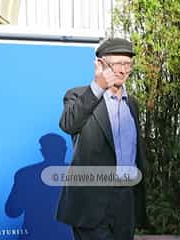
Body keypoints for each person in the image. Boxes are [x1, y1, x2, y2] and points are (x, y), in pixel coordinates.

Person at [56, 38, 147, 240]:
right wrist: (97, 86)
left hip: (125, 199)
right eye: (117, 64)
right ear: (100, 64)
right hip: (91, 202)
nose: (123, 71)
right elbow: (68, 124)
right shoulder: (79, 96)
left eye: (127, 65)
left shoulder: (132, 104)